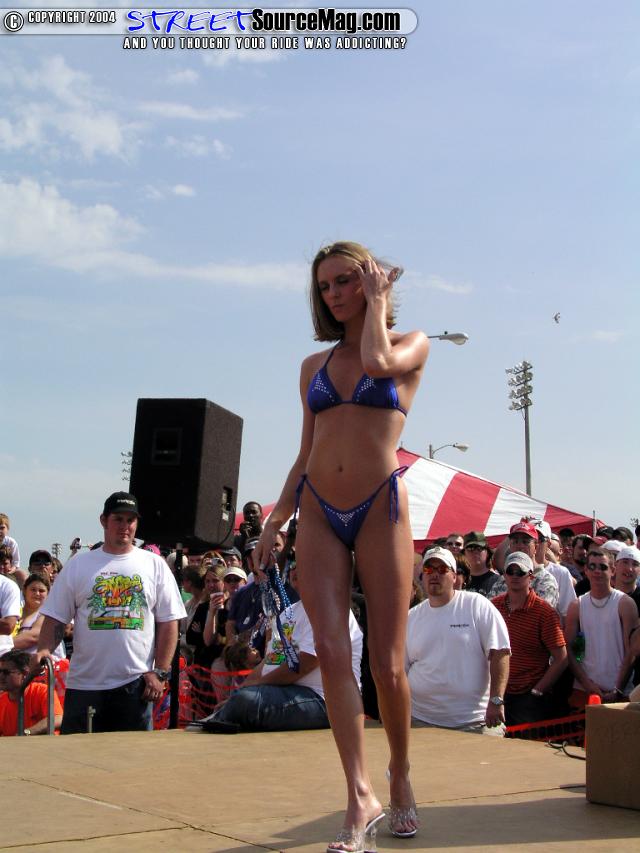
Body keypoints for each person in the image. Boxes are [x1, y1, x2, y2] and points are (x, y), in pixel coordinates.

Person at [254, 241, 429, 849]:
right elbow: (305, 452)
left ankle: (399, 773)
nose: (334, 294)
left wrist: (378, 304)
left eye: (346, 280)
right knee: (330, 652)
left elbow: (378, 362)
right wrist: (276, 519)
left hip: (381, 506)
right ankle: (359, 795)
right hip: (319, 511)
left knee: (386, 664)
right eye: (325, 285)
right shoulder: (313, 367)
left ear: (372, 281)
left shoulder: (412, 344)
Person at [34, 492, 186, 734]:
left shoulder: (154, 564)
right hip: (85, 685)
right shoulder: (78, 565)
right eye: (118, 519)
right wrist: (44, 649)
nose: (125, 526)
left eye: (130, 520)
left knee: (131, 756)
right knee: (76, 754)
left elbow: (169, 622)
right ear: (104, 520)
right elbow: (56, 617)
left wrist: (160, 671)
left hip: (135, 685)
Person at [202, 562, 362, 732]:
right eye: (292, 565)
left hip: (325, 700)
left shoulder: (329, 608)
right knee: (241, 698)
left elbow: (305, 663)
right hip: (287, 692)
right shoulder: (288, 613)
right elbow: (271, 660)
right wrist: (241, 691)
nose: (295, 568)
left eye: (301, 563)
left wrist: (255, 687)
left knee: (246, 702)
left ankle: (230, 716)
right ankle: (228, 715)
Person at [407, 547, 510, 734]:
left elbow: (500, 652)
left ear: (454, 577)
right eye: (429, 569)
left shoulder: (477, 605)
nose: (435, 575)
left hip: (475, 721)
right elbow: (401, 669)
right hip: (419, 719)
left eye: (442, 569)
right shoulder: (411, 617)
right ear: (422, 576)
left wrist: (496, 700)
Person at [491, 552, 567, 724]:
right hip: (497, 693)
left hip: (527, 698)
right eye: (510, 571)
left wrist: (538, 691)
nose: (515, 576)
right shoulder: (493, 606)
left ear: (531, 576)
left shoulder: (544, 612)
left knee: (523, 741)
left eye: (520, 572)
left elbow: (561, 658)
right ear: (504, 576)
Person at [565, 549, 638, 706]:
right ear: (586, 570)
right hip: (584, 691)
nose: (597, 571)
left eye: (603, 567)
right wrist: (587, 684)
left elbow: (631, 652)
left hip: (620, 692)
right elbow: (569, 650)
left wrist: (618, 689)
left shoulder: (625, 603)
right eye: (592, 566)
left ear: (613, 570)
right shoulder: (576, 605)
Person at [0, 650, 63, 736]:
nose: (1, 676)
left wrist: (27, 733)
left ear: (25, 673)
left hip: (45, 744)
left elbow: (57, 718)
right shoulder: (1, 701)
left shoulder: (42, 691)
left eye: (6, 672)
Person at [13, 573, 66, 659]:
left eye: (41, 591)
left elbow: (33, 637)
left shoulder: (49, 615)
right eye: (33, 590)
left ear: (48, 594)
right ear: (24, 591)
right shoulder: (15, 612)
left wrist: (4, 645)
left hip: (43, 664)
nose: (37, 593)